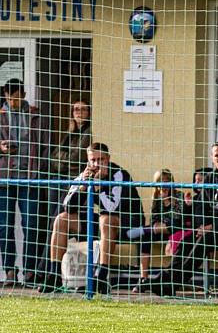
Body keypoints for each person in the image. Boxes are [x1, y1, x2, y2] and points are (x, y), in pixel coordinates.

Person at [150, 141, 218, 296]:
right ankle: (167, 281)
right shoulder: (210, 178)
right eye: (216, 156)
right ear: (212, 158)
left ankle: (170, 282)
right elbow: (199, 207)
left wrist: (212, 227)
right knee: (186, 241)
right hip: (207, 228)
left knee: (203, 242)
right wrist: (201, 226)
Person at [38, 142, 144, 294]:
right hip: (102, 223)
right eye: (93, 160)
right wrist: (82, 186)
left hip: (128, 222)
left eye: (101, 160)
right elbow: (68, 206)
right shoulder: (86, 174)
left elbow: (112, 208)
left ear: (108, 158)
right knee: (62, 219)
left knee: (106, 219)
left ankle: (100, 276)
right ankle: (54, 275)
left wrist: (97, 187)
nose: (96, 164)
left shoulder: (119, 174)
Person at [0, 78, 48, 286]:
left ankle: (29, 272)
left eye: (17, 99)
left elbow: (46, 144)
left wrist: (41, 170)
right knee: (4, 227)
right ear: (5, 96)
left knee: (32, 225)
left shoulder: (36, 114)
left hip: (30, 179)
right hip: (5, 179)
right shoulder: (0, 116)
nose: (14, 103)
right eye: (10, 99)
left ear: (24, 96)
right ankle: (10, 271)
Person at [129, 169, 190, 292]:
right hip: (161, 231)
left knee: (160, 228)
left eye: (166, 182)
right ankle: (143, 278)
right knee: (145, 237)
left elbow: (177, 219)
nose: (164, 185)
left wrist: (162, 224)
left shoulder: (179, 196)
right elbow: (154, 221)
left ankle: (173, 280)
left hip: (176, 230)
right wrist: (160, 225)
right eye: (160, 182)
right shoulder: (156, 198)